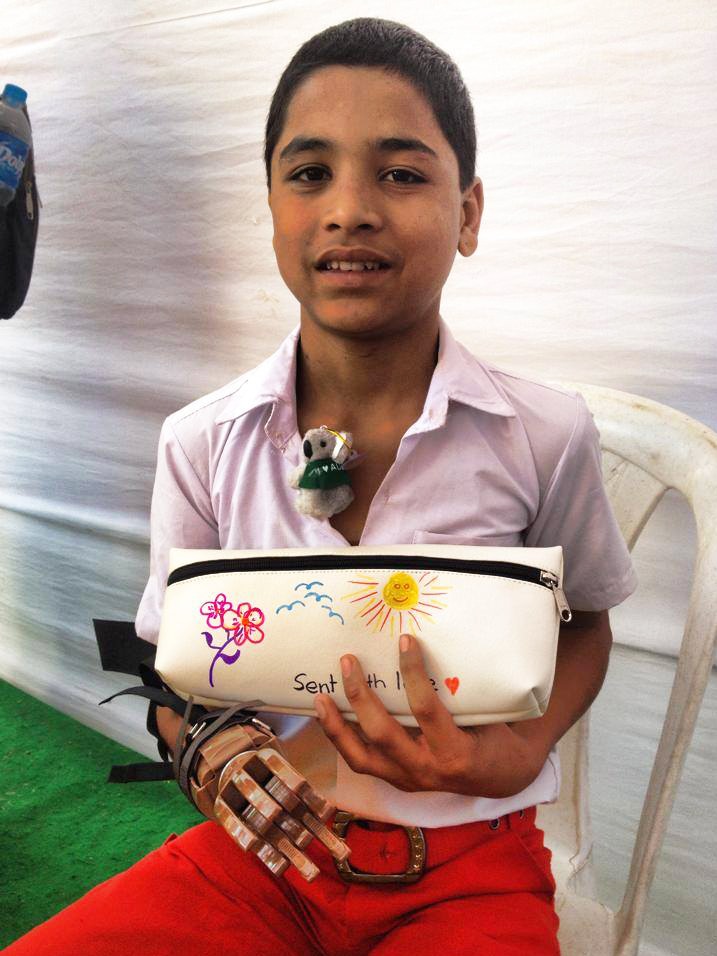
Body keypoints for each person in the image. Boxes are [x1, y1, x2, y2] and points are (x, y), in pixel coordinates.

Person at [5, 17, 636, 956]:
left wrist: (521, 746)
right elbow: (175, 670)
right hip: (261, 861)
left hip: (466, 867)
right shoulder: (200, 441)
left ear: (467, 213)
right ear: (270, 209)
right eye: (309, 173)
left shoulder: (541, 435)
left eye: (401, 172)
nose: (350, 208)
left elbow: (582, 620)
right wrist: (209, 751)